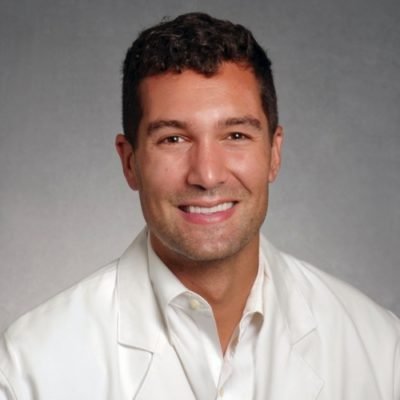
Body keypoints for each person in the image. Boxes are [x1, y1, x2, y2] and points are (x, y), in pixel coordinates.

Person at [0, 12, 399, 400]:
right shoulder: (28, 369)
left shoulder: (381, 351)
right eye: (173, 139)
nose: (207, 175)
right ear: (130, 162)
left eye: (236, 135)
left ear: (274, 153)